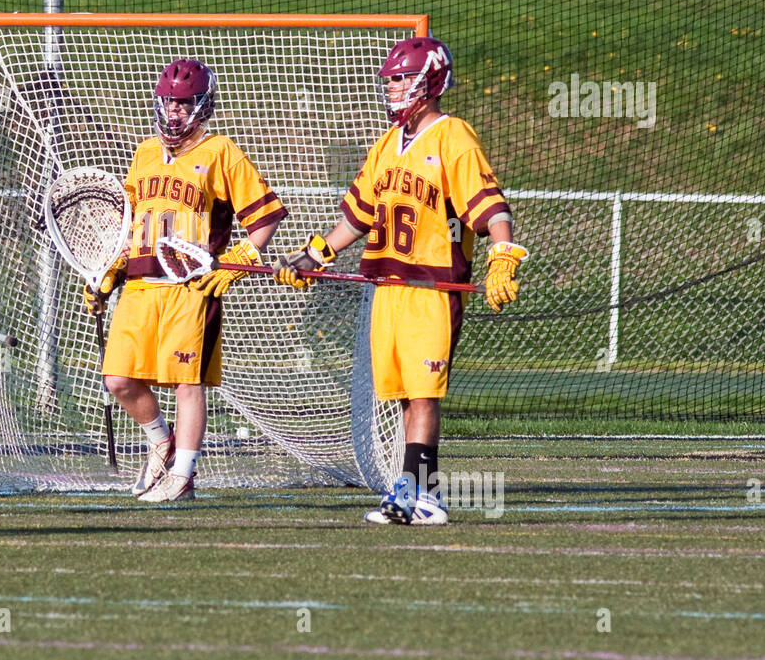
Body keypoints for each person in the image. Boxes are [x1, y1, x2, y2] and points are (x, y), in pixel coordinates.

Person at [275, 36, 526, 526]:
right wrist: (313, 256)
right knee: (408, 395)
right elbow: (359, 217)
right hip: (387, 287)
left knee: (424, 392)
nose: (391, 88)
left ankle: (413, 494)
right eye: (389, 80)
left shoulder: (453, 136)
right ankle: (421, 494)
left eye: (400, 79)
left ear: (429, 80)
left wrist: (502, 253)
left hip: (431, 288)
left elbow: (491, 206)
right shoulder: (388, 144)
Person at [86, 59, 287, 503]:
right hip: (140, 286)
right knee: (118, 379)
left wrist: (241, 257)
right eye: (168, 103)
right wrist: (109, 273)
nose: (174, 112)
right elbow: (130, 226)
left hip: (191, 287)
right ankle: (161, 441)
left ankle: (183, 475)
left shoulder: (220, 152)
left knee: (186, 382)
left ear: (203, 105)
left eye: (184, 103)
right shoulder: (143, 154)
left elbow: (266, 215)